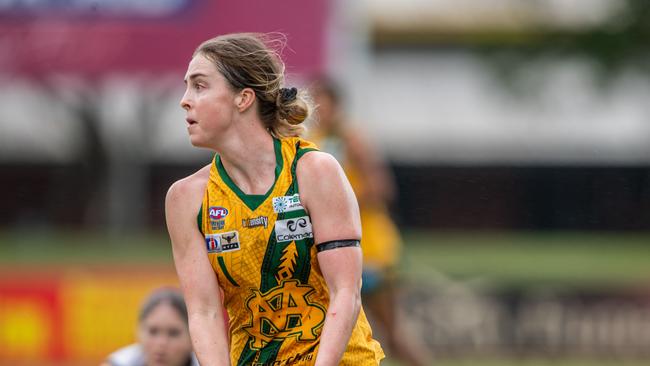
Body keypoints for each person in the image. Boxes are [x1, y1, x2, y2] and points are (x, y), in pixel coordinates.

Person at [165, 33, 384, 366]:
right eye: (187, 86)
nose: (185, 99)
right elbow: (204, 312)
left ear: (243, 98)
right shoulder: (186, 199)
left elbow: (346, 292)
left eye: (199, 85)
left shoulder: (314, 171)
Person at [309, 77, 429, 366]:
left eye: (322, 102)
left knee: (391, 332)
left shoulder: (351, 138)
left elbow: (382, 187)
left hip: (371, 246)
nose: (316, 109)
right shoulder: (311, 138)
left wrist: (335, 203)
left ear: (336, 104)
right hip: (332, 245)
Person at [102, 287, 199, 366]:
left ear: (192, 337)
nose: (161, 343)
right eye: (153, 331)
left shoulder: (209, 362)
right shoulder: (118, 363)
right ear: (138, 332)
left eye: (173, 333)